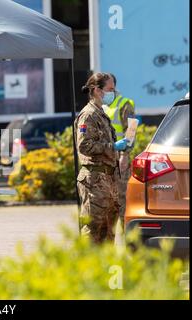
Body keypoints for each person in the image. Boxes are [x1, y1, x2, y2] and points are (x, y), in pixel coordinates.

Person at [74, 72, 128, 244]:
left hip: (107, 179)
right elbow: (84, 146)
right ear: (97, 90)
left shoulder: (101, 113)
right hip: (94, 180)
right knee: (92, 231)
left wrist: (119, 146)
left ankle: (104, 269)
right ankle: (88, 269)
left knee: (107, 231)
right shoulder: (88, 115)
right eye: (110, 89)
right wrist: (113, 146)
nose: (114, 93)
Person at [103, 74, 135, 222]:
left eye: (110, 88)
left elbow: (131, 130)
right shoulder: (100, 106)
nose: (107, 92)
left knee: (122, 201)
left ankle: (126, 240)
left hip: (119, 159)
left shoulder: (124, 104)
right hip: (105, 159)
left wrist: (125, 155)